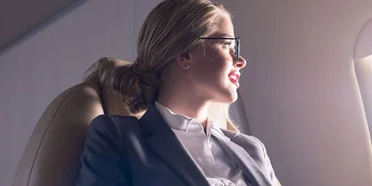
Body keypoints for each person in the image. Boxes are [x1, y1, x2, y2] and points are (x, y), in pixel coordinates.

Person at [75, 0, 280, 185]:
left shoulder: (252, 150)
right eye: (227, 45)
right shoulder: (117, 137)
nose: (240, 60)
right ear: (184, 54)